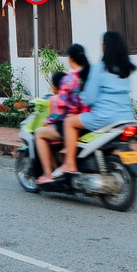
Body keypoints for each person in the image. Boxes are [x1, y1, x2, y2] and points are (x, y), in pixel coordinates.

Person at [55, 31, 137, 177]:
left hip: (103, 117)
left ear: (105, 46)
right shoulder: (126, 69)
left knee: (69, 122)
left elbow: (89, 98)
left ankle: (69, 164)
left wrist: (83, 100)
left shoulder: (99, 68)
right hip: (127, 118)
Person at [35, 44, 90, 185]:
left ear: (71, 59)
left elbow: (60, 108)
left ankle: (47, 174)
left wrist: (48, 121)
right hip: (89, 121)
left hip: (70, 122)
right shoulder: (90, 77)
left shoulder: (70, 79)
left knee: (40, 133)